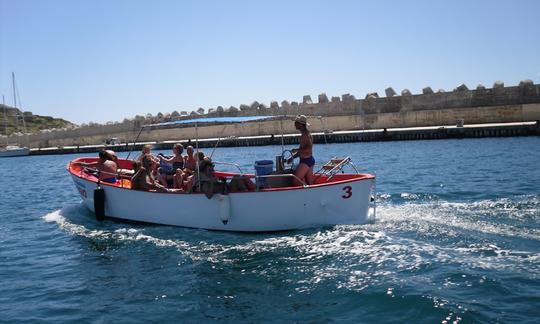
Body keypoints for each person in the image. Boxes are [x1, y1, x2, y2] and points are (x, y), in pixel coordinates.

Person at [288, 115, 315, 185]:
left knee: (295, 180)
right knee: (310, 182)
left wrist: (296, 149)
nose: (294, 124)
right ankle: (310, 193)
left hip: (306, 161)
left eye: (296, 123)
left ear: (301, 124)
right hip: (308, 160)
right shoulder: (305, 134)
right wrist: (292, 158)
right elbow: (302, 150)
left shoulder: (305, 135)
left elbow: (308, 149)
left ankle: (305, 190)